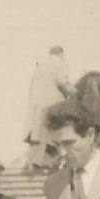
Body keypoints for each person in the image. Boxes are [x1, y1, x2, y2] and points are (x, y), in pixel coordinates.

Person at [23, 45, 72, 173]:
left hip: (37, 105)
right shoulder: (60, 63)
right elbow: (62, 82)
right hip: (53, 105)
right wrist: (74, 94)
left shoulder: (39, 66)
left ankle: (36, 165)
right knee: (58, 134)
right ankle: (52, 165)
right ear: (61, 54)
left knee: (38, 136)